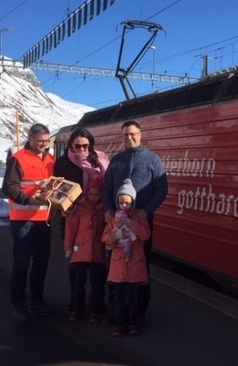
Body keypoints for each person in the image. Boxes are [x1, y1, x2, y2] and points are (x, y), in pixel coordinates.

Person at [103, 120, 168, 329]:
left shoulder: (153, 160)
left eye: (132, 134)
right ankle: (116, 308)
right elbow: (106, 187)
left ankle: (139, 312)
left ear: (140, 134)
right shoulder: (117, 161)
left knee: (141, 268)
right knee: (114, 265)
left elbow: (162, 189)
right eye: (125, 135)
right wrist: (107, 209)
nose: (129, 138)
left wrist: (146, 210)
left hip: (141, 225)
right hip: (117, 223)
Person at [2, 123, 55, 324]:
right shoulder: (18, 159)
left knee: (42, 262)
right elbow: (8, 188)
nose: (44, 144)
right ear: (31, 139)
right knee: (22, 263)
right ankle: (18, 304)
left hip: (43, 220)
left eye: (46, 141)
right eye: (40, 141)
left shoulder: (51, 160)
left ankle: (37, 301)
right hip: (22, 220)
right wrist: (28, 199)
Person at [53, 128, 110, 312]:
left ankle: (97, 302)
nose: (82, 149)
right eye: (77, 146)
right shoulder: (62, 163)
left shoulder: (99, 160)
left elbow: (108, 185)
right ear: (71, 145)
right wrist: (60, 207)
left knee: (98, 260)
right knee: (75, 261)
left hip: (97, 215)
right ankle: (75, 299)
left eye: (86, 145)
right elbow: (54, 190)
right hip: (72, 217)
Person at [102, 178, 150, 337]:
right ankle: (120, 324)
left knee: (132, 297)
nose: (124, 206)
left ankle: (133, 323)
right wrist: (115, 236)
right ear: (117, 202)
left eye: (127, 203)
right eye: (121, 202)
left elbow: (145, 235)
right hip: (118, 265)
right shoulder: (113, 218)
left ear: (133, 202)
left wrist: (131, 224)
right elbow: (105, 237)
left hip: (134, 264)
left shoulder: (139, 217)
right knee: (119, 297)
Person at [64, 175, 107, 323]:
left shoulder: (104, 210)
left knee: (97, 283)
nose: (93, 197)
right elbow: (70, 228)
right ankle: (77, 309)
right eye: (91, 194)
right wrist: (68, 247)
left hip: (97, 251)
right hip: (79, 249)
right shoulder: (80, 208)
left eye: (97, 194)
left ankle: (95, 310)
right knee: (78, 282)